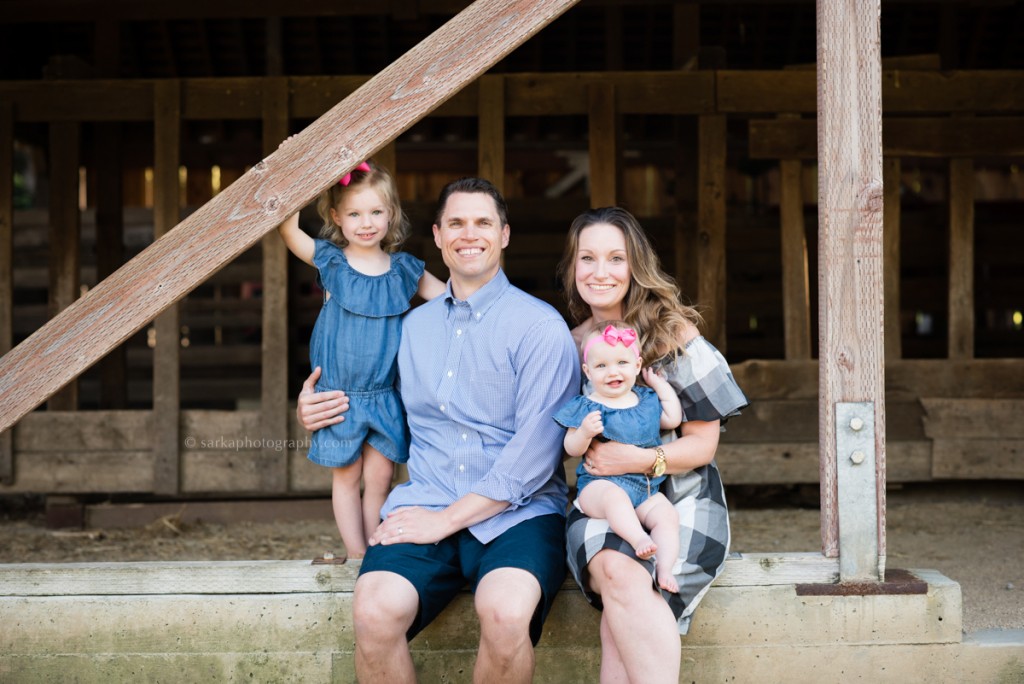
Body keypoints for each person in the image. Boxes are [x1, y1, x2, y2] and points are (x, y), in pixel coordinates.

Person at [296, 177, 580, 683]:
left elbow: (535, 456)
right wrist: (316, 407)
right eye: (456, 223)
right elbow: (366, 394)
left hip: (517, 513)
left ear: (505, 235)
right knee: (374, 610)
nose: (469, 235)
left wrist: (446, 520)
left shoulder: (539, 327)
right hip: (424, 499)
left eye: (482, 223)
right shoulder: (413, 326)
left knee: (506, 612)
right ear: (437, 234)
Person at [558, 206, 748, 683]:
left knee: (625, 608)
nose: (600, 272)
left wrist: (643, 458)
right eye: (587, 259)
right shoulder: (571, 346)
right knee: (621, 579)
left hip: (680, 498)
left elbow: (703, 446)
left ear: (635, 265)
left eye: (615, 259)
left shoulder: (674, 335)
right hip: (603, 500)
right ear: (572, 267)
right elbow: (559, 439)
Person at [277, 159, 446, 559]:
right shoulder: (331, 261)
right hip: (341, 395)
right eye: (354, 213)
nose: (365, 222)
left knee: (381, 476)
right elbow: (288, 230)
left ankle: (376, 549)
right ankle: (355, 555)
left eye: (376, 212)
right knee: (348, 476)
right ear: (336, 216)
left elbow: (452, 299)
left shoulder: (405, 269)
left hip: (385, 394)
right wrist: (294, 164)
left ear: (391, 215)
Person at [555, 320, 683, 593]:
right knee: (614, 499)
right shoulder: (587, 406)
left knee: (667, 515)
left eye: (622, 363)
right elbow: (570, 448)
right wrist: (584, 433)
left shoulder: (646, 400)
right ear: (588, 372)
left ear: (637, 366)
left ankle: (664, 568)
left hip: (644, 488)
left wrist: (660, 386)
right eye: (601, 366)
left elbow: (672, 418)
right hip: (599, 487)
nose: (612, 372)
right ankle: (638, 539)